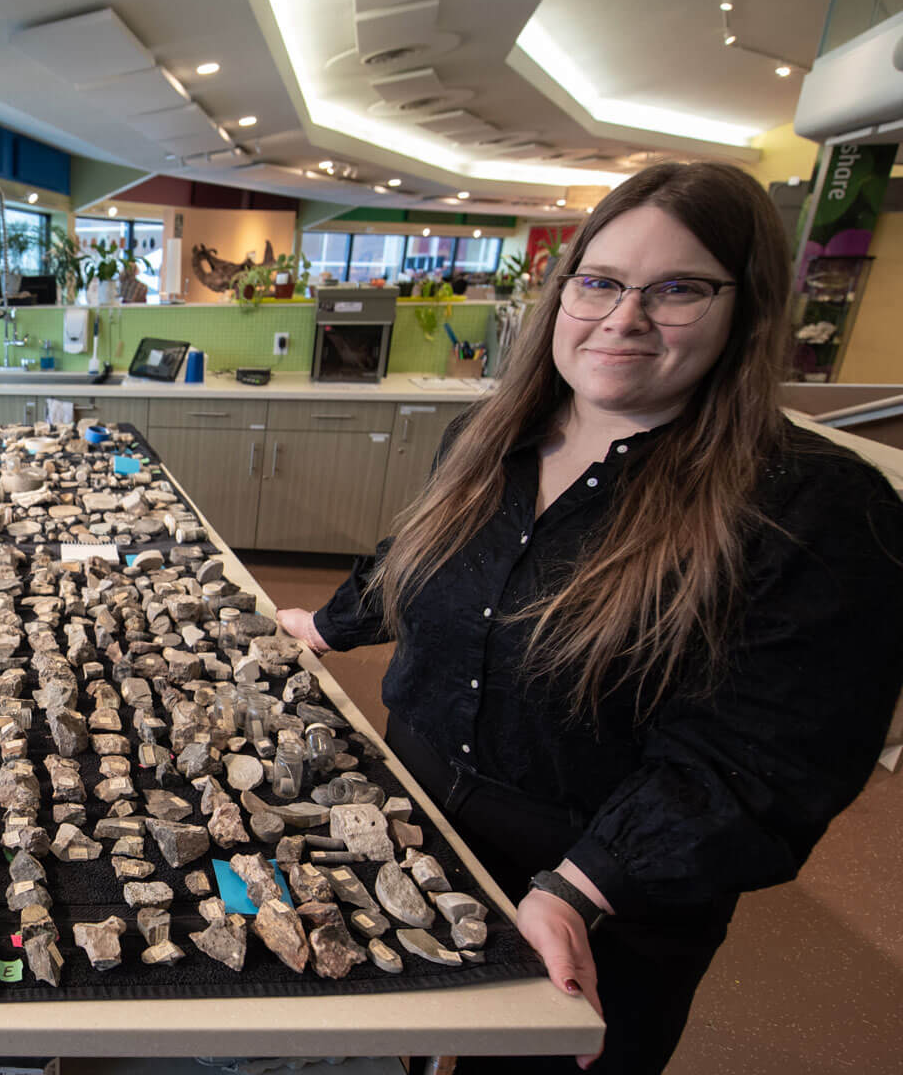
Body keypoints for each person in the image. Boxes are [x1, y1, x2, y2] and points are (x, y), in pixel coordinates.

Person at [276, 161, 903, 1074]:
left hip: (604, 891)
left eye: (678, 289)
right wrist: (328, 628)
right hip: (416, 822)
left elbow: (762, 758)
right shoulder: (488, 437)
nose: (624, 317)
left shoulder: (812, 508)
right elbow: (420, 558)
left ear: (747, 306)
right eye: (600, 282)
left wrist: (581, 886)